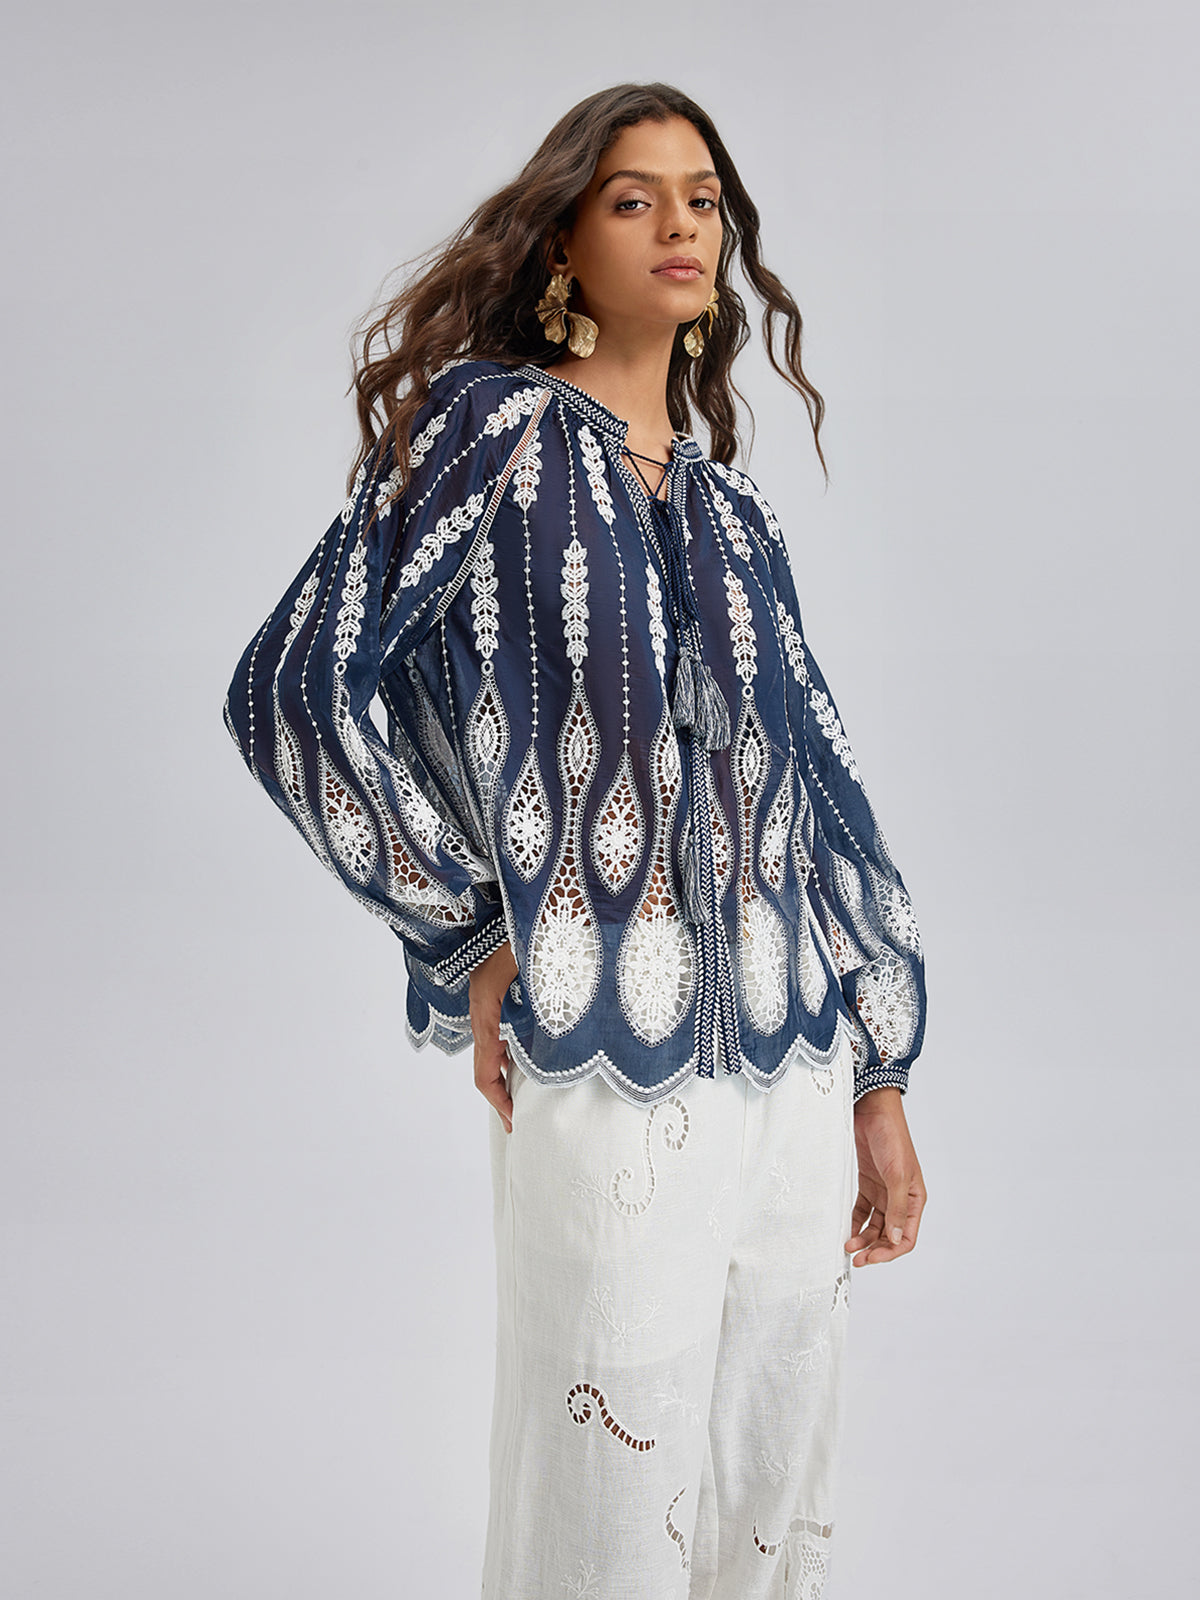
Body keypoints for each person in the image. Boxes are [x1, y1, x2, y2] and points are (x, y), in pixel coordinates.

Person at [224, 81, 928, 1600]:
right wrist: (470, 934)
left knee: (769, 1494)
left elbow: (827, 798)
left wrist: (880, 1075)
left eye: (704, 200)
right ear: (563, 243)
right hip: (604, 1056)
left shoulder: (737, 517)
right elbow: (292, 691)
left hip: (796, 1069)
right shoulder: (489, 437)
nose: (682, 225)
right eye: (634, 198)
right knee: (602, 1504)